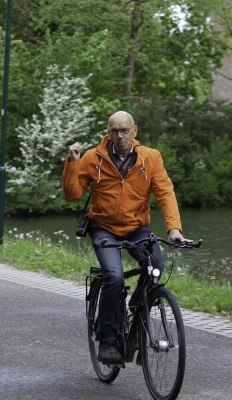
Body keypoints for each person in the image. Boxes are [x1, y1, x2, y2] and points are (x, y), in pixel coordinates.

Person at [62, 111, 187, 365]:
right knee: (114, 276)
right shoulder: (92, 158)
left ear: (134, 131)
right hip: (103, 227)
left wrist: (174, 228)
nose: (119, 136)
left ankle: (135, 308)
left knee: (155, 266)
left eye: (124, 130)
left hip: (136, 227)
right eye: (114, 131)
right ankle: (108, 340)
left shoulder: (150, 158)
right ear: (108, 132)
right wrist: (72, 163)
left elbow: (165, 192)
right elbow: (71, 194)